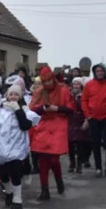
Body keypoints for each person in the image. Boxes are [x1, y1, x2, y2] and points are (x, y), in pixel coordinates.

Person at [29, 67, 75, 200]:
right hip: (43, 126)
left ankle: (59, 181)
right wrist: (42, 109)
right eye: (45, 82)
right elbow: (32, 110)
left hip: (58, 125)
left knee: (53, 158)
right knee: (43, 158)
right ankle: (45, 189)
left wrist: (56, 108)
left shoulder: (64, 91)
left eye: (49, 81)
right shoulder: (39, 92)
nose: (48, 84)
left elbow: (71, 109)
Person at [0, 84, 36, 209]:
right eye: (11, 94)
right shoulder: (2, 109)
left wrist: (18, 110)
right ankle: (9, 192)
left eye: (16, 94)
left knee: (15, 173)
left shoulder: (25, 110)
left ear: (20, 97)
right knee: (3, 174)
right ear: (7, 95)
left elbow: (25, 126)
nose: (13, 97)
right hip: (3, 147)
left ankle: (17, 199)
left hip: (17, 147)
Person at [68, 79, 90, 174]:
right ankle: (72, 163)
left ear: (81, 85)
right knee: (70, 145)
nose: (76, 85)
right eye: (74, 84)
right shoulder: (69, 95)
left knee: (80, 144)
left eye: (78, 84)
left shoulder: (84, 96)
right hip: (71, 121)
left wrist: (87, 120)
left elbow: (87, 109)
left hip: (80, 121)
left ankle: (79, 164)